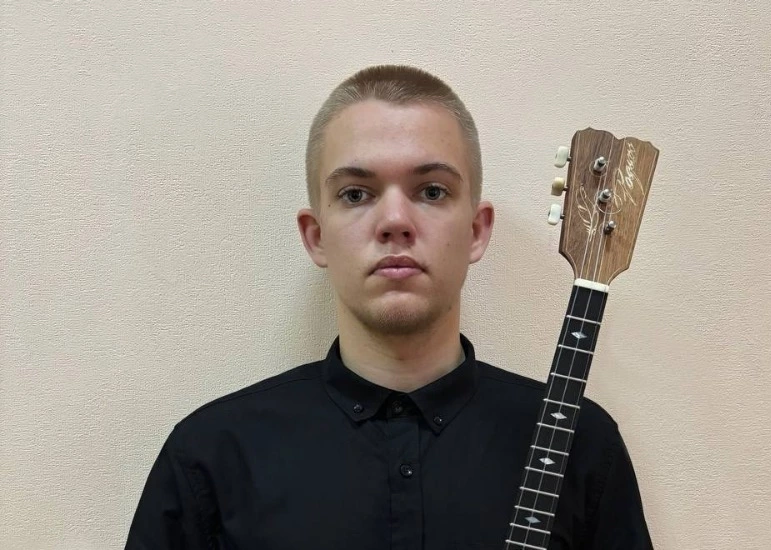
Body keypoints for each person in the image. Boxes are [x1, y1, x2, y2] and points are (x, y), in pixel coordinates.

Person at [125, 65, 652, 549]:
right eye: (356, 194)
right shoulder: (211, 458)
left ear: (476, 230)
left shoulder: (581, 446)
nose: (395, 221)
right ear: (316, 236)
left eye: (432, 191)